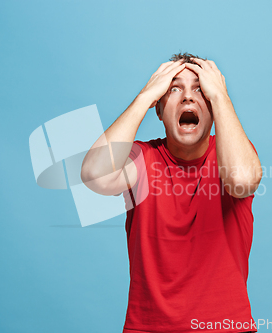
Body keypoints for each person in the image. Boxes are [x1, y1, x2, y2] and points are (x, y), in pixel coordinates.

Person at [81, 52, 262, 333]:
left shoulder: (232, 152)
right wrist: (144, 96)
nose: (188, 98)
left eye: (200, 89)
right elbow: (96, 176)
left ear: (214, 107)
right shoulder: (142, 158)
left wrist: (222, 98)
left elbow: (241, 180)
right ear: (159, 109)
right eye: (174, 89)